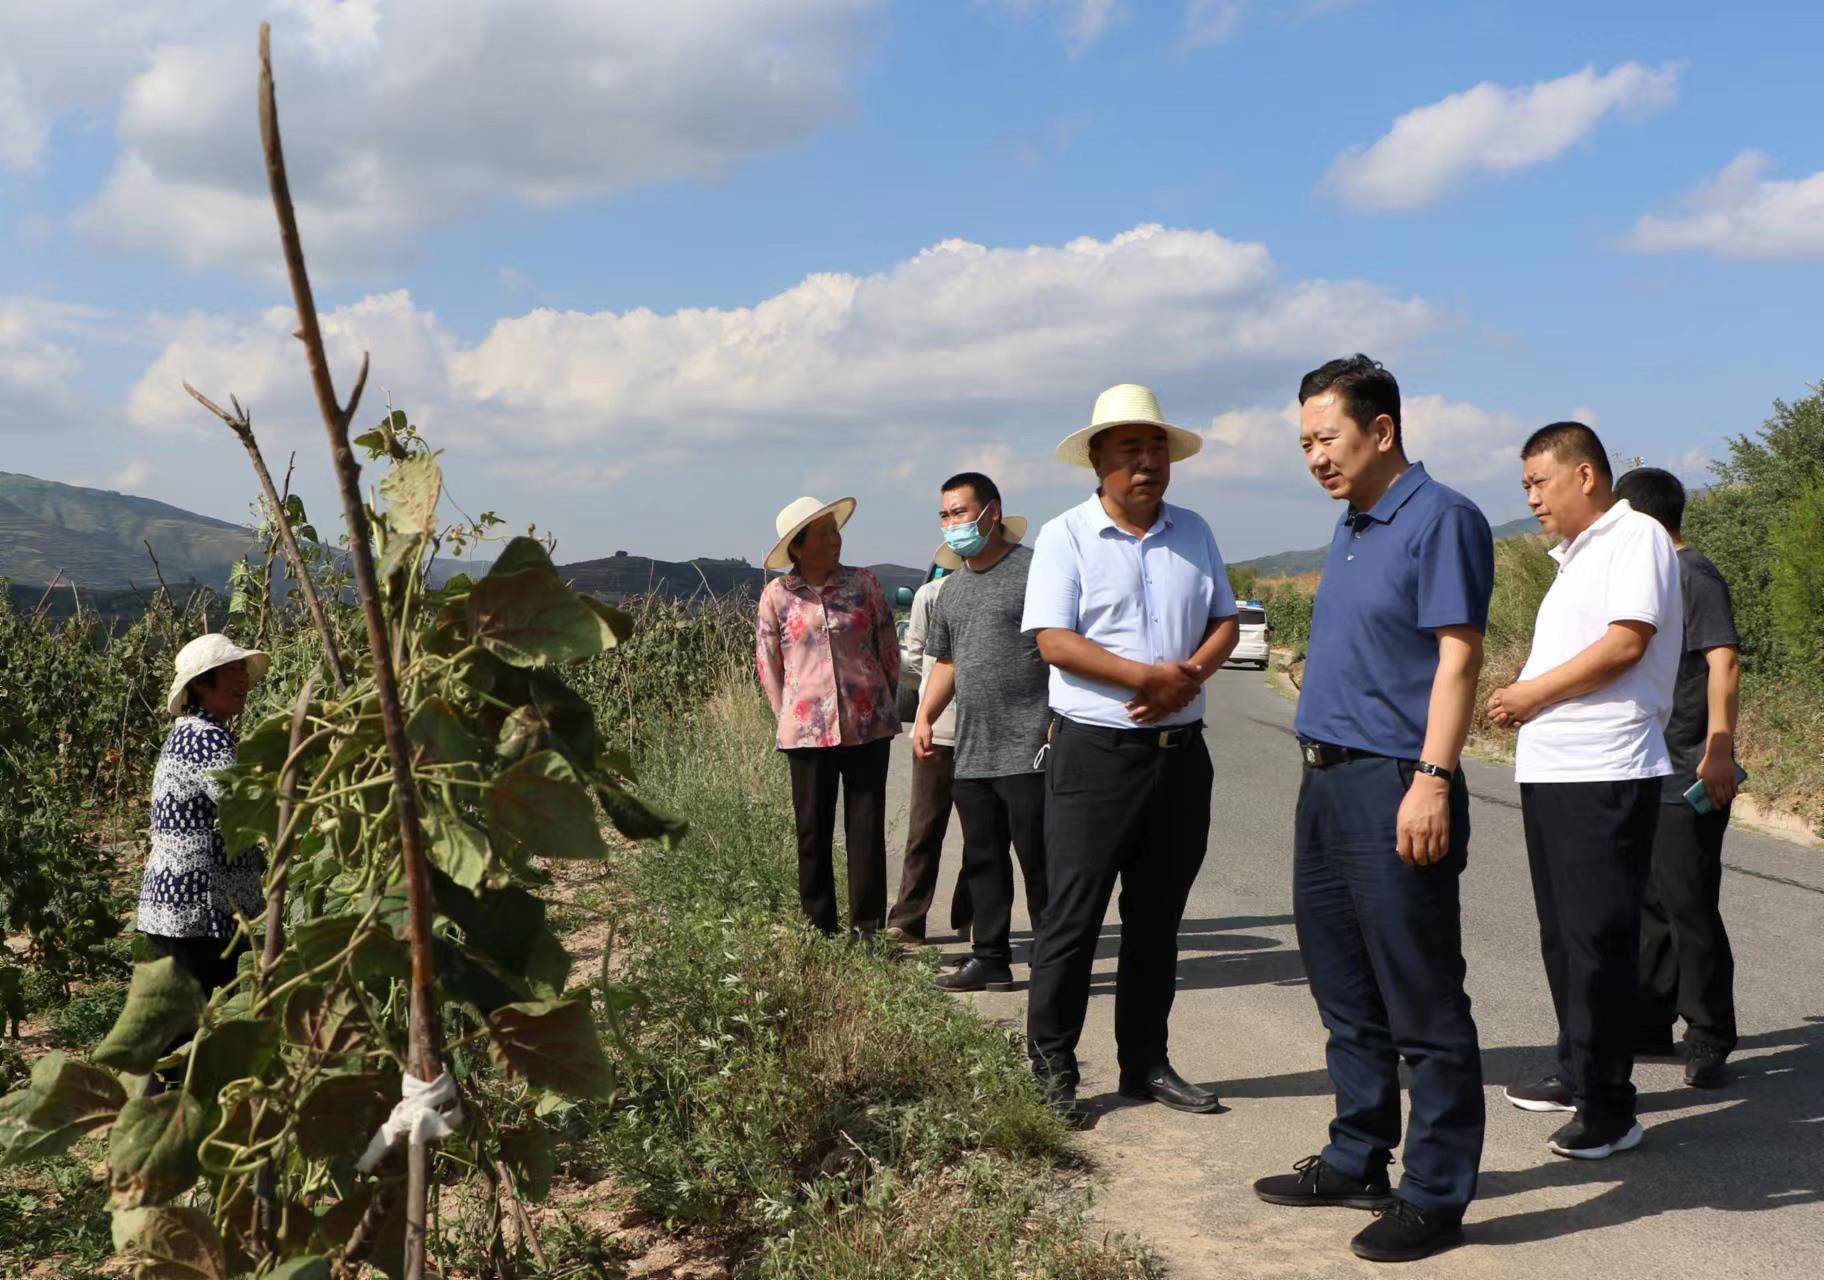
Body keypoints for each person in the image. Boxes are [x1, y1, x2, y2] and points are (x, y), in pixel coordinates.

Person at [1250, 355, 1493, 1264]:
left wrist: (1432, 778)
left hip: (1396, 783)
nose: (1316, 456)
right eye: (1304, 443)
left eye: (1328, 437)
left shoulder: (1442, 518)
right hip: (1325, 784)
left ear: (1381, 429)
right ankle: (1358, 1154)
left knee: (1421, 998)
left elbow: (1459, 659)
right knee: (1343, 987)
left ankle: (1434, 1194)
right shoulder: (1352, 523)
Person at [1021, 383, 1240, 1121]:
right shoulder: (1067, 535)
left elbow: (1224, 621)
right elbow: (1055, 641)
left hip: (1179, 756)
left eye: (1156, 448)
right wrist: (1146, 678)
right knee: (1073, 917)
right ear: (1097, 460)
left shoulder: (1194, 531)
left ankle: (1145, 1062)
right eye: (1129, 449)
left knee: (1157, 917)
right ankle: (1052, 1068)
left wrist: (1188, 677)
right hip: (1095, 755)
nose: (1147, 462)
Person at [1488, 423, 1681, 1161]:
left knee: (1598, 940)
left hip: (1605, 768)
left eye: (1540, 482)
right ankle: (1577, 1069)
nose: (1532, 498)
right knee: (1563, 937)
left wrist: (1530, 694)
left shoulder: (1635, 537)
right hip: (1556, 770)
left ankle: (1610, 1107)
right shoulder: (1577, 556)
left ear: (1586, 476)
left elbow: (1626, 643)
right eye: (1526, 486)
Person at [1614, 467, 1740, 1088]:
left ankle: (1710, 1035)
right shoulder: (1658, 576)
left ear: (1639, 519)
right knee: (1651, 902)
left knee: (1689, 904)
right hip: (1648, 764)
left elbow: (1724, 661)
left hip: (1691, 766)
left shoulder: (1694, 574)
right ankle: (1648, 1022)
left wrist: (1719, 749)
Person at [912, 474, 1047, 992]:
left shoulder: (1035, 571)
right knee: (983, 859)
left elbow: (1063, 647)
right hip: (973, 747)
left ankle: (1055, 957)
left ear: (992, 512)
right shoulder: (953, 588)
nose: (952, 524)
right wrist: (925, 716)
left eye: (960, 512)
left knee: (1041, 861)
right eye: (945, 515)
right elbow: (946, 661)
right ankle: (990, 958)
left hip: (1032, 744)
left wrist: (1058, 720)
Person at [755, 496, 902, 937]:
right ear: (797, 547)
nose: (834, 540)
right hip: (806, 732)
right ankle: (819, 928)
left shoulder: (864, 585)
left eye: (835, 531)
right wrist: (788, 715)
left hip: (867, 725)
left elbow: (888, 650)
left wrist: (880, 699)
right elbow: (768, 663)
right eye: (823, 534)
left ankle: (867, 929)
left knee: (866, 826)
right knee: (812, 830)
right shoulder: (777, 595)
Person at [136, 633, 270, 996]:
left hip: (187, 908)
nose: (243, 679)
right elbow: (245, 803)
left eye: (243, 670)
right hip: (199, 912)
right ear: (199, 684)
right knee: (205, 1017)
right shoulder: (205, 737)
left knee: (196, 1016)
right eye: (231, 670)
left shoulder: (191, 732)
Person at [885, 564, 974, 945]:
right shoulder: (931, 594)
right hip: (937, 728)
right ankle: (908, 921)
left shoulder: (1006, 588)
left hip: (986, 734)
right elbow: (917, 657)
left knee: (982, 835)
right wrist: (935, 697)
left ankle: (972, 916)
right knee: (924, 828)